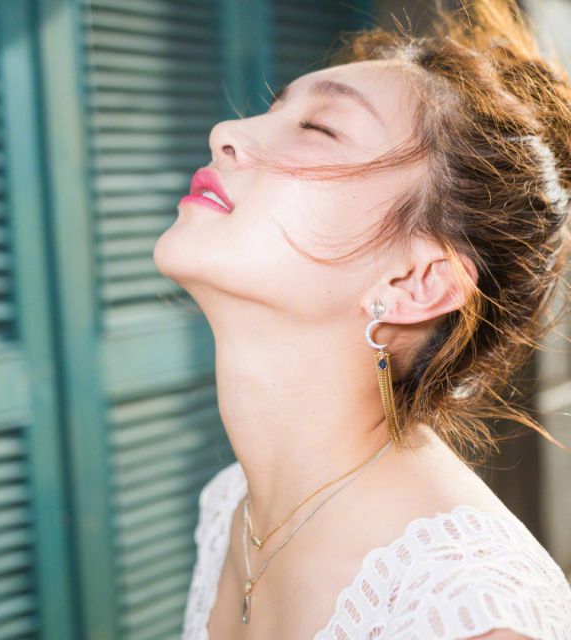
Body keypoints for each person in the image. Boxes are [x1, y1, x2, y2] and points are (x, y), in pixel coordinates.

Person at [153, 0, 571, 637]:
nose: (224, 131)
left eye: (318, 127)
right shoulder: (233, 509)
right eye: (274, 109)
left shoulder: (465, 609)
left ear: (416, 283)